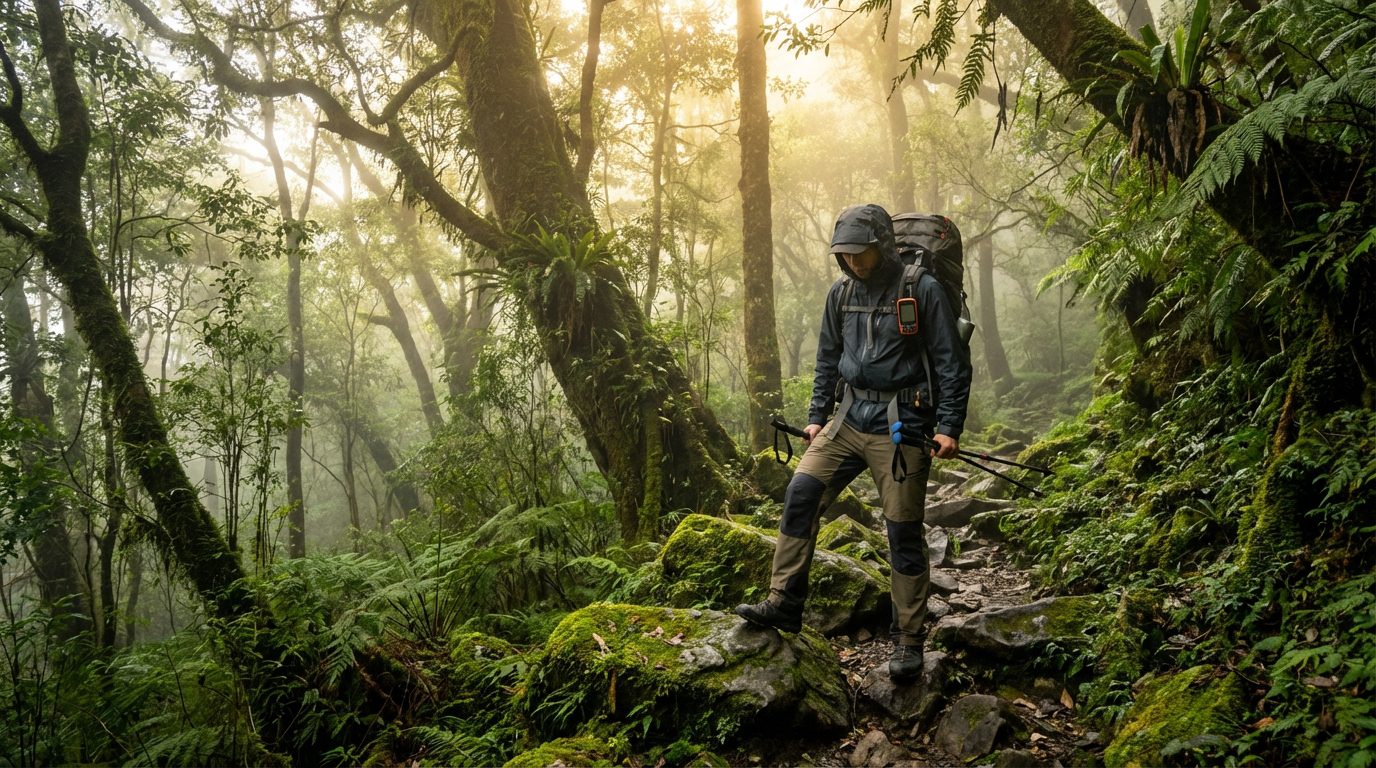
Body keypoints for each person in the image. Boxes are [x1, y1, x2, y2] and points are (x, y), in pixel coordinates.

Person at [735, 202, 972, 680]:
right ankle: (784, 601)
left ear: (881, 245)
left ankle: (908, 639)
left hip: (903, 419)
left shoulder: (920, 288)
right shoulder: (839, 295)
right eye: (846, 255)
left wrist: (948, 426)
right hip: (847, 418)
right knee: (800, 494)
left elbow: (951, 361)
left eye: (861, 253)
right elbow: (827, 359)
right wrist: (816, 418)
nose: (854, 262)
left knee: (902, 530)